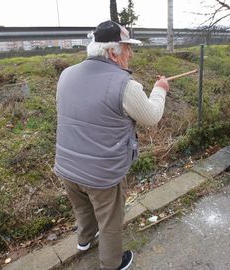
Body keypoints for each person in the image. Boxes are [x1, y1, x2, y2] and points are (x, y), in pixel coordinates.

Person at [54, 20, 170, 270]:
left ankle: (84, 240)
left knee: (82, 207)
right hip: (102, 174)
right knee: (110, 221)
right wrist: (160, 90)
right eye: (127, 48)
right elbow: (151, 118)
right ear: (112, 52)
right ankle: (112, 264)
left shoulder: (66, 75)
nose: (131, 53)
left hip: (67, 166)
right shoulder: (124, 85)